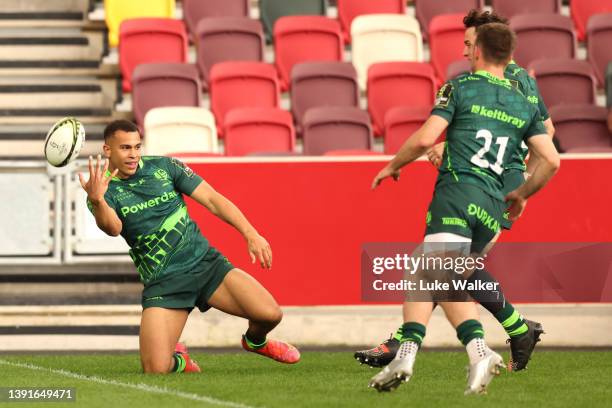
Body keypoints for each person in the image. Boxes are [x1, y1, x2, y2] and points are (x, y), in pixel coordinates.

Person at [356, 10, 554, 372]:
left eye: (469, 44)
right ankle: (516, 329)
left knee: (444, 265)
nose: (465, 51)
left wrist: (500, 170)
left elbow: (528, 137)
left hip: (493, 182)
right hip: (497, 182)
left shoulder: (504, 80)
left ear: (484, 42)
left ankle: (408, 342)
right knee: (452, 265)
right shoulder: (519, 82)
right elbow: (547, 135)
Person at [80, 120, 300, 374]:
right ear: (108, 150)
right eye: (125, 148)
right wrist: (96, 200)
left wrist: (251, 234)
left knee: (270, 315)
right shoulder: (102, 191)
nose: (133, 154)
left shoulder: (164, 167)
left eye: (137, 147)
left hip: (206, 265)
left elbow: (213, 199)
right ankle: (180, 360)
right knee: (155, 369)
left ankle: (255, 341)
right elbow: (113, 228)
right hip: (164, 281)